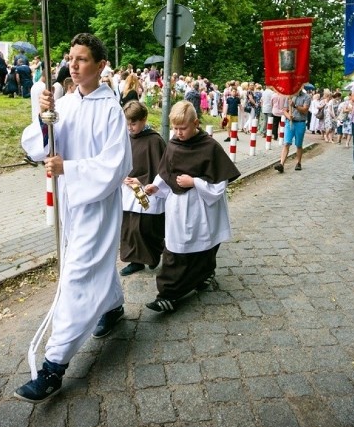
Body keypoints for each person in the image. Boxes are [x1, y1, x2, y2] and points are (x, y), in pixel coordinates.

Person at [15, 33, 132, 403]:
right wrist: (44, 117)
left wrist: (71, 168)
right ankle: (112, 307)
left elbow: (116, 165)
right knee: (89, 266)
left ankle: (52, 367)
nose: (74, 64)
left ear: (100, 66)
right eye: (71, 58)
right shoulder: (63, 103)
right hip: (71, 204)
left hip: (96, 205)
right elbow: (36, 147)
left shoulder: (110, 108)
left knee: (79, 274)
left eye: (83, 59)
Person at [142, 101, 240, 312]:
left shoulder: (210, 146)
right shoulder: (174, 143)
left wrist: (195, 182)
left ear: (195, 123)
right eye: (175, 128)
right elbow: (166, 172)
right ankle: (167, 293)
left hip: (202, 207)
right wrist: (155, 187)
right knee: (176, 248)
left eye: (183, 128)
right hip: (179, 207)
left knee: (204, 246)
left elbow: (219, 184)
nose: (178, 133)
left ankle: (203, 274)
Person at [119, 101, 166, 276]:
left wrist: (142, 181)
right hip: (128, 190)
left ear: (144, 120)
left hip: (147, 190)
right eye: (127, 123)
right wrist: (121, 175)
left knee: (146, 227)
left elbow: (161, 169)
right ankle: (134, 260)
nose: (130, 128)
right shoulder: (125, 137)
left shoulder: (154, 140)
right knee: (129, 226)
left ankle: (153, 255)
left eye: (134, 123)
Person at [274, 86, 311, 172]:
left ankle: (298, 163)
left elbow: (305, 110)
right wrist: (288, 116)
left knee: (298, 145)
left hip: (300, 123)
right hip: (289, 123)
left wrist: (294, 106)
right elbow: (284, 110)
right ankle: (281, 164)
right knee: (286, 143)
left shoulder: (306, 97)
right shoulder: (289, 96)